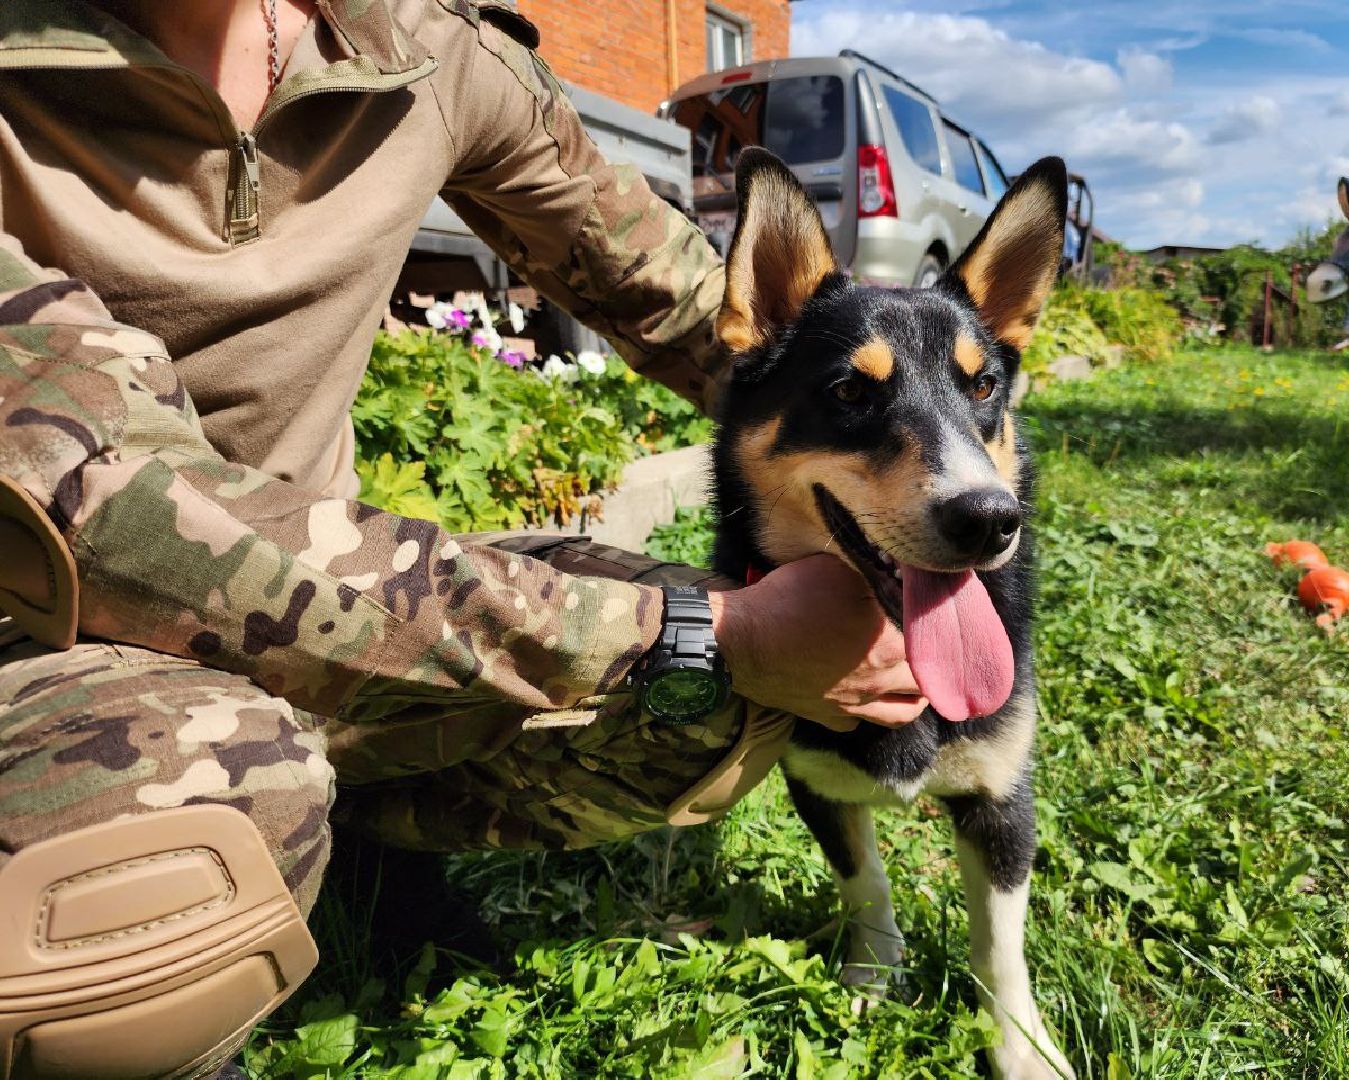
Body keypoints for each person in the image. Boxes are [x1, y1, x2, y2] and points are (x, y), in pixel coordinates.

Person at [0, 2, 929, 1076]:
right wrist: (691, 628)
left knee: (705, 701)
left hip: (336, 611)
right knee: (200, 803)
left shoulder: (415, 48)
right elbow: (111, 506)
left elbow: (686, 303)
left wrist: (922, 454)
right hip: (49, 628)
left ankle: (368, 855)